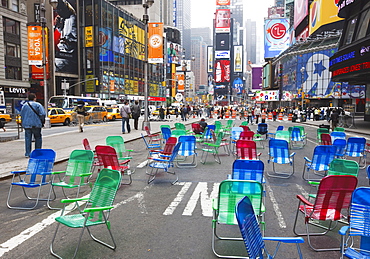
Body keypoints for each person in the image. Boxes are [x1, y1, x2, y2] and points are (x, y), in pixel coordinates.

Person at [20, 93, 46, 158]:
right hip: (36, 124)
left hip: (27, 125)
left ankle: (27, 153)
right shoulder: (38, 105)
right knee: (38, 138)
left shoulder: (24, 105)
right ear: (35, 98)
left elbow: (21, 115)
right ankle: (37, 152)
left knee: (27, 139)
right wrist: (42, 122)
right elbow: (42, 114)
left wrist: (23, 123)